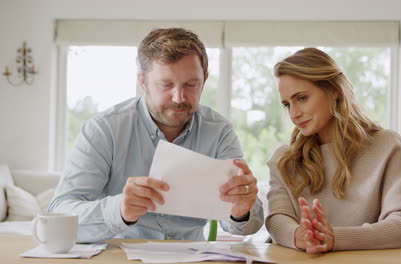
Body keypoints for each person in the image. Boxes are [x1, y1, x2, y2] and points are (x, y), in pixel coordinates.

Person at [49, 28, 263, 243]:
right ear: (143, 82)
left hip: (191, 256)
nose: (179, 98)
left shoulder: (218, 130)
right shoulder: (104, 129)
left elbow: (247, 227)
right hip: (120, 255)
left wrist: (241, 210)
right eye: (165, 84)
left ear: (204, 79)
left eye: (191, 84)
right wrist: (120, 210)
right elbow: (59, 213)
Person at [265, 48, 401, 253]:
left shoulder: (387, 146)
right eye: (287, 104)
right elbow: (277, 219)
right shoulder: (284, 160)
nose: (294, 113)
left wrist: (334, 238)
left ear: (334, 90)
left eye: (302, 98)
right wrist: (299, 236)